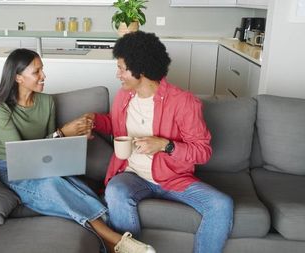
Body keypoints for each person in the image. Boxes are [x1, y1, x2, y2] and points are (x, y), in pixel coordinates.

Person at [0, 48, 155, 253]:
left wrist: (75, 138)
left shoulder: (46, 102)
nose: (43, 76)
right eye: (36, 72)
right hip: (10, 168)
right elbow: (23, 158)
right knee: (52, 184)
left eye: (42, 70)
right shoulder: (1, 110)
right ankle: (116, 240)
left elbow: (48, 150)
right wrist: (62, 133)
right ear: (18, 77)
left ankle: (113, 245)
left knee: (79, 188)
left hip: (39, 165)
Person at [86, 31, 234, 253]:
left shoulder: (184, 102)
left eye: (122, 68)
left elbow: (202, 151)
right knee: (116, 191)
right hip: (132, 176)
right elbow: (116, 125)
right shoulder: (125, 95)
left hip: (174, 179)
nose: (118, 74)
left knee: (222, 205)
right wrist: (93, 121)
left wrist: (166, 145)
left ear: (141, 70)